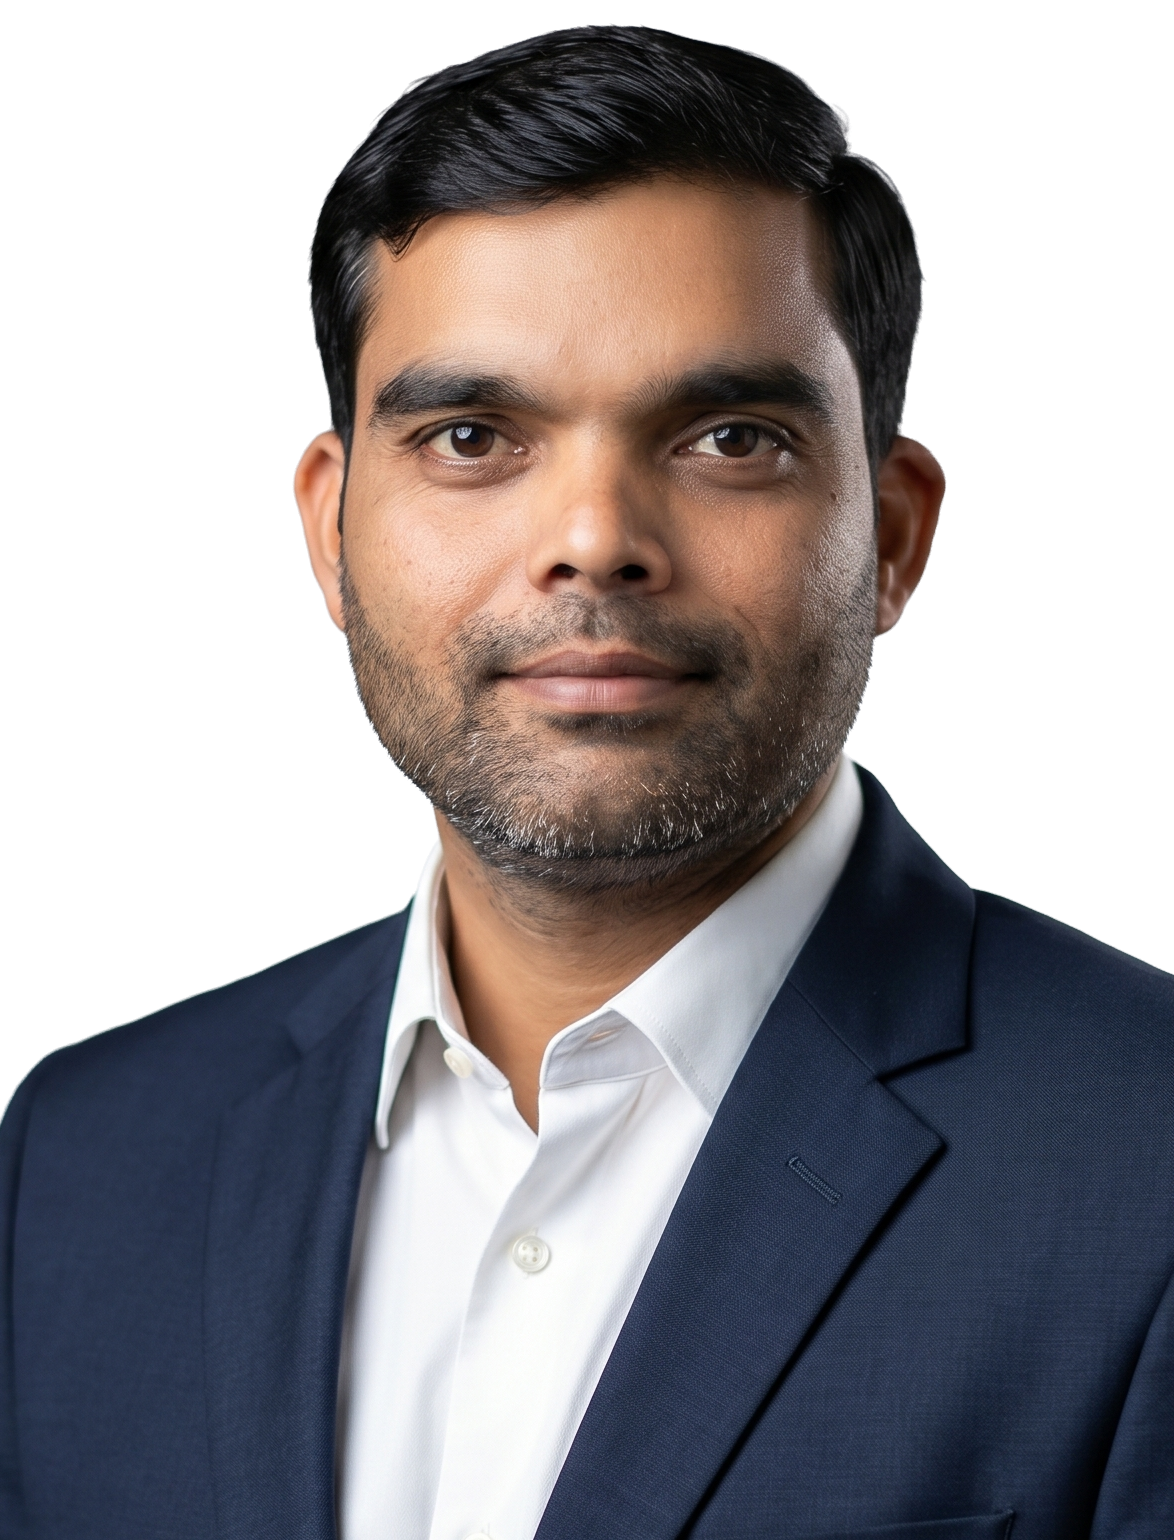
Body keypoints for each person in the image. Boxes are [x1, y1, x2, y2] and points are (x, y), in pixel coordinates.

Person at [2, 25, 1169, 1540]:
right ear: (329, 532)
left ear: (891, 536)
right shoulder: (76, 1159)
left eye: (729, 437)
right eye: (471, 436)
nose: (594, 539)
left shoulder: (1148, 1164)